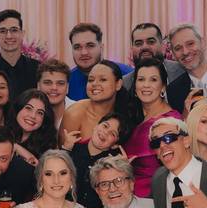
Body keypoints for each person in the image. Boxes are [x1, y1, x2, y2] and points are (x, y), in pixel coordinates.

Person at [123, 58, 182, 198]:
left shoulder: (170, 121)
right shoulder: (133, 115)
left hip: (155, 195)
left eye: (153, 80)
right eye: (141, 79)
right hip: (129, 192)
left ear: (163, 87)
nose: (146, 85)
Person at [122, 23, 190, 114]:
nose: (145, 47)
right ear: (132, 48)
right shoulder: (125, 83)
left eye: (151, 42)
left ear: (162, 45)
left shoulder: (182, 70)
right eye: (138, 43)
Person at [65, 113, 127, 208]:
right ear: (96, 126)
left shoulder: (112, 162)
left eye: (112, 134)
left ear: (115, 145)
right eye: (105, 126)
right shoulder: (72, 149)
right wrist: (65, 149)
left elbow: (118, 197)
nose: (105, 132)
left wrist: (124, 170)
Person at [60, 60, 128, 147]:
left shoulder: (125, 114)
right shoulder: (74, 113)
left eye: (103, 80)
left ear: (118, 84)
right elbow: (62, 152)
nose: (94, 84)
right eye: (91, 80)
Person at [67, 23, 133, 100]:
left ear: (101, 47)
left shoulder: (127, 75)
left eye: (90, 45)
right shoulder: (66, 81)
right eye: (77, 47)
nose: (84, 52)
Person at [167, 24, 207, 115]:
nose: (185, 52)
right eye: (178, 48)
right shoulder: (173, 91)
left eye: (190, 44)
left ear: (203, 43)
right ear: (173, 54)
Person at [6, 89, 57, 165]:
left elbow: (39, 167)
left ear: (44, 119)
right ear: (18, 109)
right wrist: (15, 146)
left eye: (40, 113)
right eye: (28, 108)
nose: (33, 116)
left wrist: (16, 148)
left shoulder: (48, 146)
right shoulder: (3, 133)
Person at [37, 58, 75, 128]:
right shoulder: (29, 112)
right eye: (47, 83)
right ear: (38, 86)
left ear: (67, 87)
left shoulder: (79, 110)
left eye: (60, 83)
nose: (54, 88)